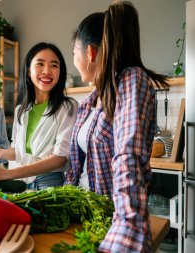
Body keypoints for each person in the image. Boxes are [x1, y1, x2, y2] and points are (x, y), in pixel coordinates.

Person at [65, 1, 169, 252]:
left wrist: (127, 227)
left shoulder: (132, 80)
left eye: (73, 52)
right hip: (84, 216)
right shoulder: (92, 100)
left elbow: (128, 157)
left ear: (90, 53)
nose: (74, 59)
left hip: (111, 221)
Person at [0, 42, 78, 190]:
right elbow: (19, 151)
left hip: (49, 179)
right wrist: (1, 153)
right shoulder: (21, 110)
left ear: (60, 73)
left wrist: (9, 173)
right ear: (28, 71)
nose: (47, 71)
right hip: (22, 180)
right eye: (40, 64)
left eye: (54, 65)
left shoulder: (68, 107)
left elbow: (60, 159)